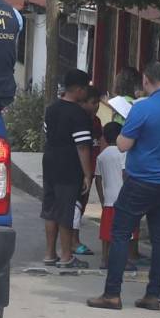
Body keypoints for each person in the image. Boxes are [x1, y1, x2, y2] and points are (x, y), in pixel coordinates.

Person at [87, 62, 160, 311]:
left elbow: (123, 145)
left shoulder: (142, 108)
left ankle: (112, 293)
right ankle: (153, 295)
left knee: (121, 233)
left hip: (141, 180)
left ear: (146, 81)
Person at [42, 69, 94, 270]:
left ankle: (49, 253)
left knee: (50, 210)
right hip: (68, 167)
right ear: (79, 90)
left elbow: (48, 134)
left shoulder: (51, 109)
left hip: (50, 163)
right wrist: (87, 174)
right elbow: (82, 147)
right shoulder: (79, 114)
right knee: (65, 210)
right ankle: (66, 256)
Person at [94, 121, 136, 269]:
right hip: (124, 198)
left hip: (109, 199)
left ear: (104, 137)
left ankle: (104, 260)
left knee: (106, 232)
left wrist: (102, 198)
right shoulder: (123, 152)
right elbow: (125, 174)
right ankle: (127, 259)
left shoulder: (101, 156)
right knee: (128, 231)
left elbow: (98, 179)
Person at [72, 85, 103, 258]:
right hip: (81, 169)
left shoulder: (96, 122)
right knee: (76, 205)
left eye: (98, 102)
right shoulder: (80, 120)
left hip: (92, 167)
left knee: (81, 205)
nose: (96, 105)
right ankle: (73, 241)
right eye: (93, 102)